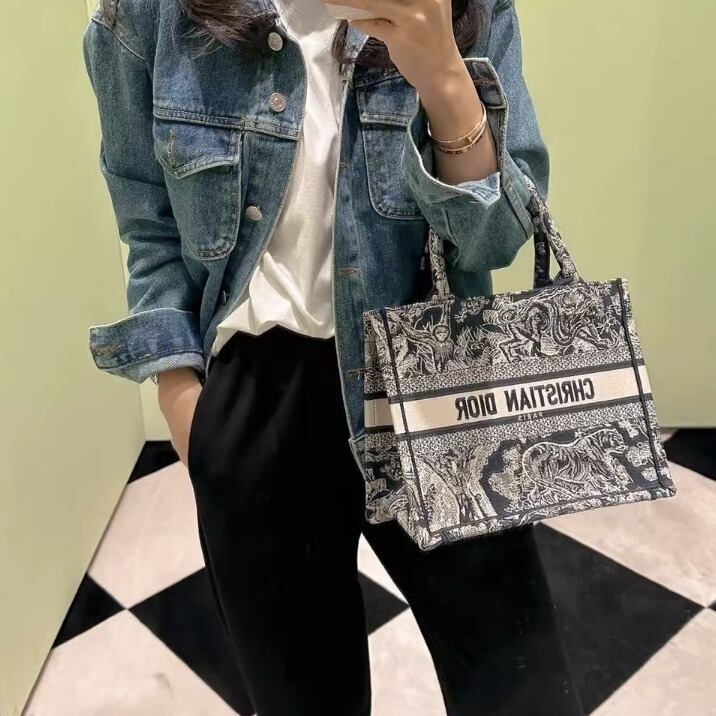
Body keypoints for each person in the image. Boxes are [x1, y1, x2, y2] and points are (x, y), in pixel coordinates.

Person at [83, 0, 583, 713]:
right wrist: (182, 397)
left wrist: (442, 75)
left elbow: (495, 239)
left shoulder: (461, 5)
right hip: (260, 401)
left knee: (521, 688)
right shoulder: (148, 14)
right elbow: (147, 220)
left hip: (433, 368)